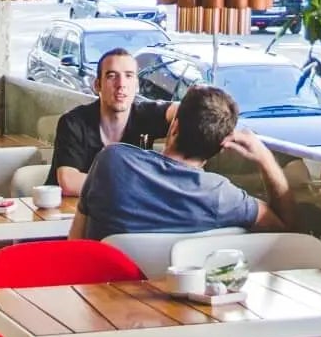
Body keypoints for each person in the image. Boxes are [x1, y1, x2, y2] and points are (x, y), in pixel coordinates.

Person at [70, 83, 294, 239]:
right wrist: (265, 159)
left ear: (174, 127)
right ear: (221, 148)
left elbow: (76, 243)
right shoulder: (221, 197)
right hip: (177, 305)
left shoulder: (112, 162)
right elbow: (286, 227)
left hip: (100, 299)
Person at [47, 46, 169, 196]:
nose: (121, 84)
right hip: (64, 213)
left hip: (119, 212)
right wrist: (138, 185)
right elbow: (69, 182)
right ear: (97, 85)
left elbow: (189, 112)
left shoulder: (146, 115)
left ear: (137, 86)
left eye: (129, 76)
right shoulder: (73, 122)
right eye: (112, 76)